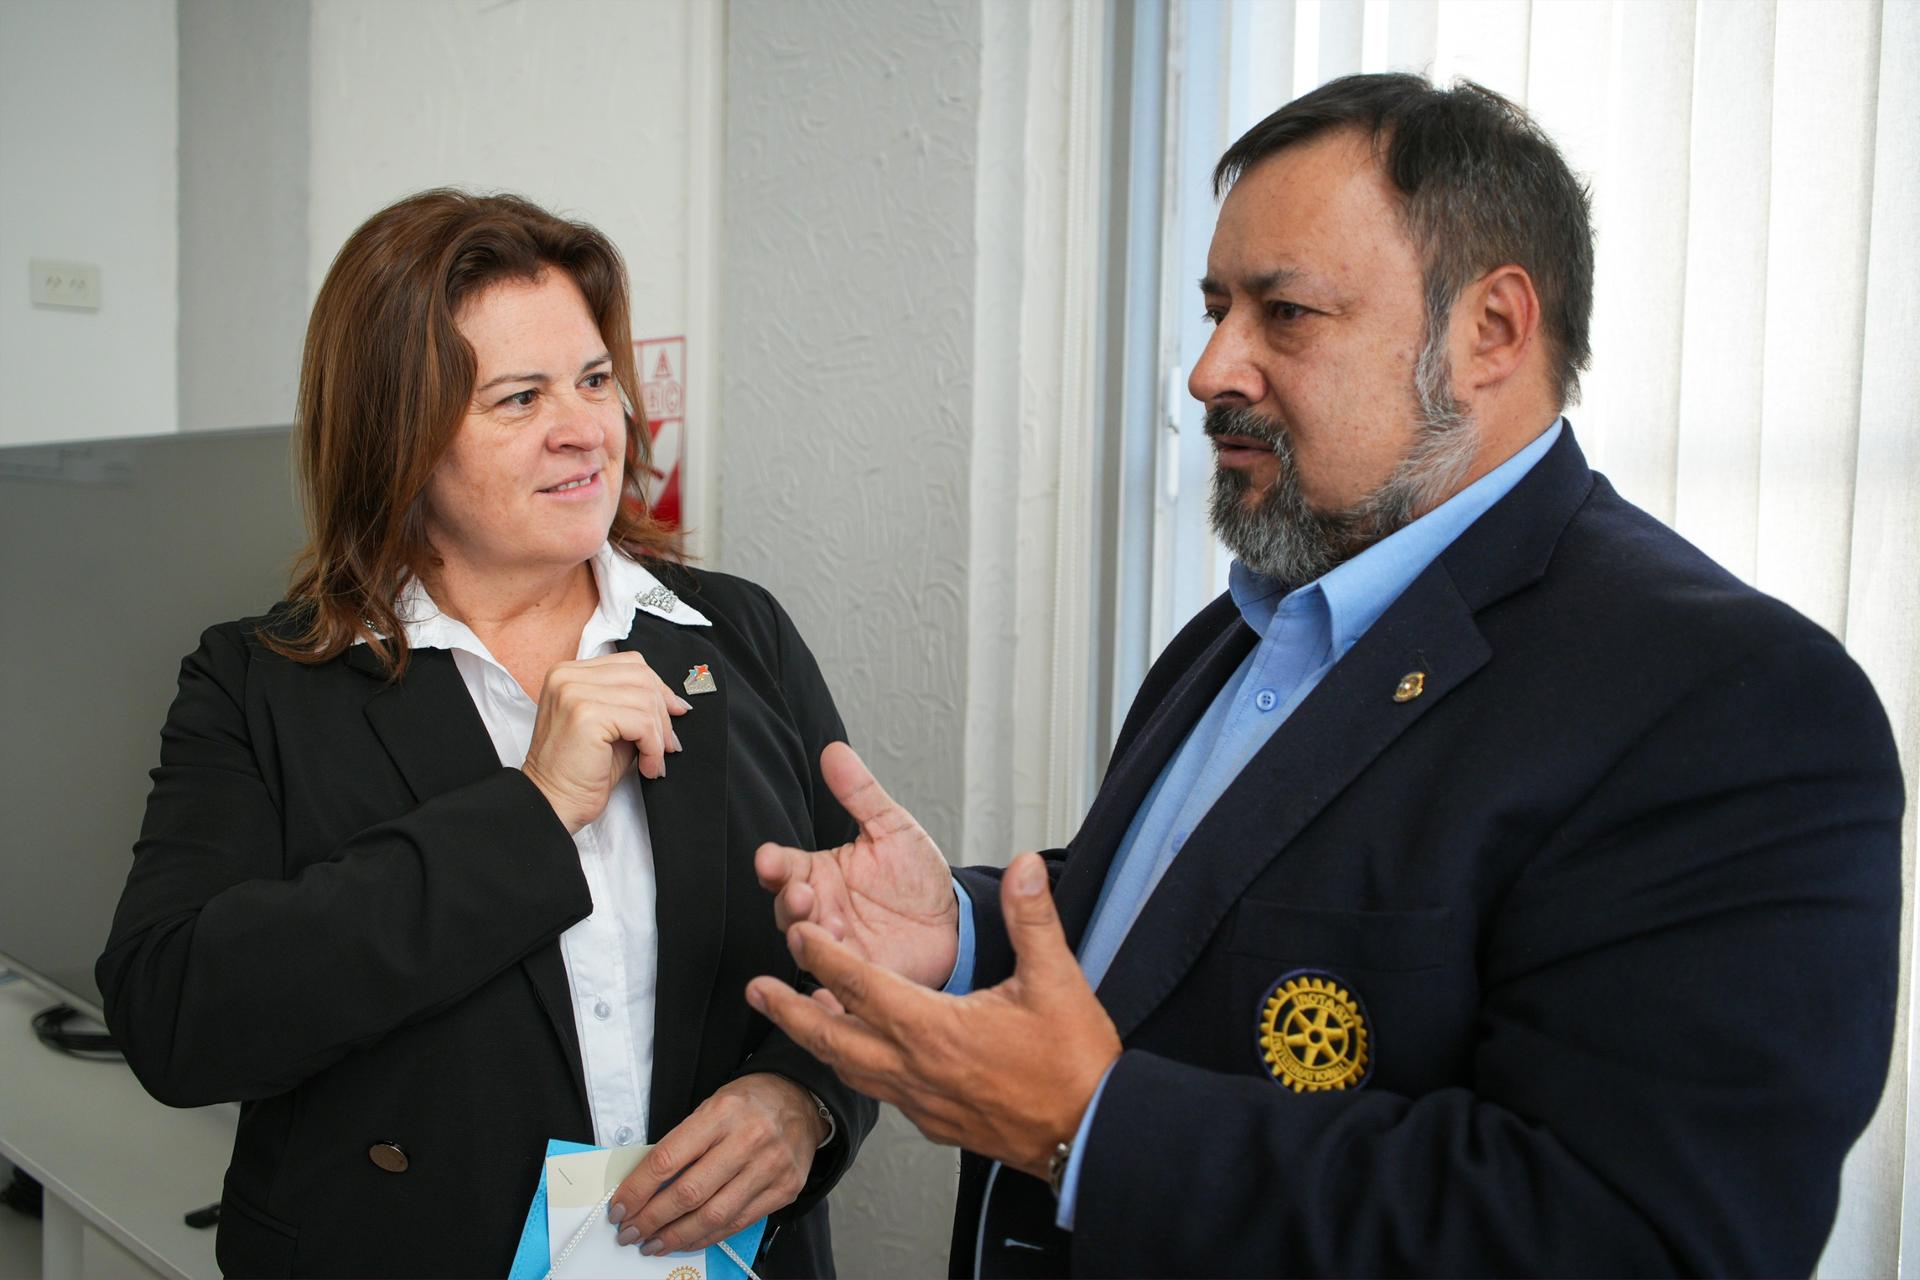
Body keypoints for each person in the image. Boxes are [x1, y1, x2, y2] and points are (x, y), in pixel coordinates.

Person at [744, 73, 1905, 1276]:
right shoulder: (1252, 622)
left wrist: (1096, 1127)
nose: (1210, 369)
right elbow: (1195, 929)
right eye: (1215, 309)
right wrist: (965, 932)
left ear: (1492, 331)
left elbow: (1637, 1236)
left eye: (1284, 313)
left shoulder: (1729, 702)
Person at [97, 189, 874, 1278]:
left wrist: (807, 1098)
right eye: (519, 398)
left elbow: (866, 947)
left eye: (595, 380)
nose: (585, 428)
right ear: (398, 438)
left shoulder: (737, 635)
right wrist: (532, 812)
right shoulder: (262, 683)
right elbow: (176, 1019)